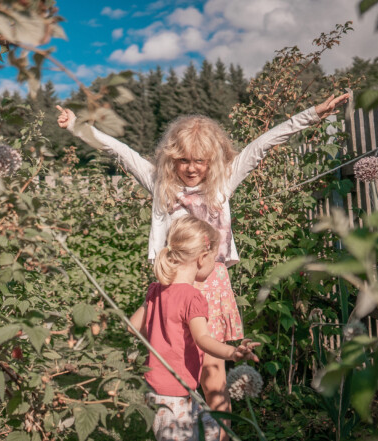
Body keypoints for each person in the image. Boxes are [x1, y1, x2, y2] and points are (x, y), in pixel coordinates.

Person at [56, 93, 348, 440]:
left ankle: (220, 433)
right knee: (174, 358)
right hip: (173, 285)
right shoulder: (159, 184)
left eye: (201, 160)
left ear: (214, 160)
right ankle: (177, 421)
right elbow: (120, 151)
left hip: (211, 285)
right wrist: (75, 125)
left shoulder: (222, 183)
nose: (192, 167)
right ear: (171, 159)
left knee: (213, 368)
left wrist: (313, 113)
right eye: (183, 160)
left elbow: (263, 143)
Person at [128, 215, 260, 441]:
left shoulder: (156, 291)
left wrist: (162, 333)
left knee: (210, 430)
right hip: (176, 396)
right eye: (215, 258)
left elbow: (133, 327)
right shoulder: (193, 297)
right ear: (202, 258)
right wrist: (233, 352)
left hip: (159, 391)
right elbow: (203, 340)